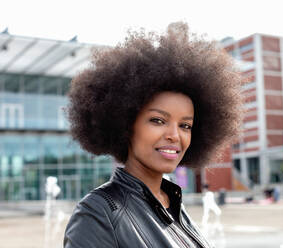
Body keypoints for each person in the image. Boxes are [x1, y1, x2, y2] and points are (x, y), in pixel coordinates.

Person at [63, 22, 241, 248]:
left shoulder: (172, 204)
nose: (174, 135)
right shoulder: (99, 212)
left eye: (185, 125)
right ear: (126, 124)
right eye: (158, 120)